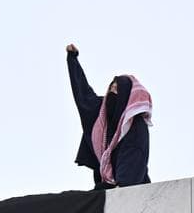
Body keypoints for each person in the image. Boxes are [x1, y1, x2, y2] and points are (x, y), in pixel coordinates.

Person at [65, 43, 152, 188]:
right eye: (111, 87)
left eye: (117, 89)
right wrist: (72, 60)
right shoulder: (101, 112)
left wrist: (121, 187)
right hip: (106, 188)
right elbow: (83, 94)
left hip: (134, 189)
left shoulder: (135, 125)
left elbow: (134, 158)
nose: (112, 91)